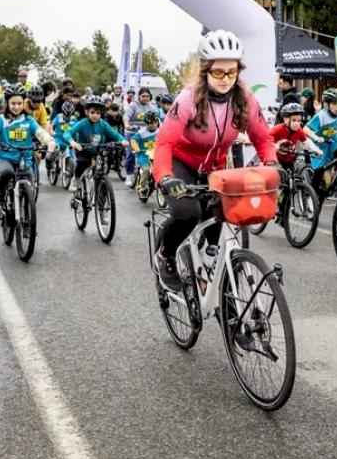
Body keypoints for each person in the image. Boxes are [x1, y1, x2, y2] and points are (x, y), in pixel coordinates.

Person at [151, 30, 278, 289]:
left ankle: (214, 267)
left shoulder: (245, 98)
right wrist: (165, 177)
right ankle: (165, 254)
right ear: (206, 70)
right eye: (218, 72)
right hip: (182, 164)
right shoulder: (188, 99)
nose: (225, 79)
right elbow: (164, 143)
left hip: (216, 168)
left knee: (223, 212)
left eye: (231, 72)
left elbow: (263, 138)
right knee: (188, 212)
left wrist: (272, 163)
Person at [0, 89, 56, 210]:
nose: (16, 107)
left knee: (30, 180)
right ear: (7, 104)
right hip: (5, 157)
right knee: (6, 173)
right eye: (13, 104)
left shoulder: (29, 120)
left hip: (25, 159)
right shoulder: (1, 119)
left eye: (19, 103)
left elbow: (40, 132)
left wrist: (50, 142)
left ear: (23, 104)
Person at [68, 95, 127, 192]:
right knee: (81, 164)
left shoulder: (103, 124)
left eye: (98, 113)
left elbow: (115, 134)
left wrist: (122, 140)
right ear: (87, 112)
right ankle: (76, 179)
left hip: (98, 151)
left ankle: (101, 195)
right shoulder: (82, 123)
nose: (95, 115)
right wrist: (72, 142)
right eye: (92, 112)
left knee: (100, 172)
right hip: (83, 150)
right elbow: (68, 133)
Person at [271, 102, 322, 170]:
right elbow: (265, 139)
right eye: (294, 120)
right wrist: (275, 146)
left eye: (299, 121)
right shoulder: (278, 129)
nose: (297, 124)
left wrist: (316, 150)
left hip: (290, 160)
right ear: (285, 119)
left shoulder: (299, 131)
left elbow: (307, 142)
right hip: (276, 160)